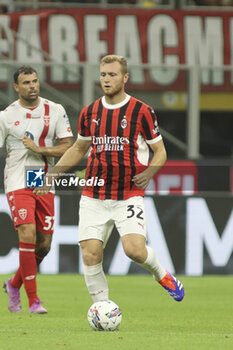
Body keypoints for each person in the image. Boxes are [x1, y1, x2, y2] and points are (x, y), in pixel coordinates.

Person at [35, 55, 184, 303]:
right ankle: (103, 308)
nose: (106, 79)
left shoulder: (142, 111)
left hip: (127, 194)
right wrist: (51, 176)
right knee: (90, 253)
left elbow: (160, 151)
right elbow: (79, 149)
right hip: (94, 194)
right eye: (103, 74)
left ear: (125, 78)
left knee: (134, 251)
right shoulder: (90, 112)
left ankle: (162, 275)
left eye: (112, 74)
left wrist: (148, 173)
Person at [0, 66, 73, 314]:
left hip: (43, 182)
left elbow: (68, 147)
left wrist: (40, 150)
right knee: (28, 234)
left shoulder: (55, 110)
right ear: (16, 87)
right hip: (17, 181)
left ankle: (13, 284)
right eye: (26, 82)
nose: (32, 85)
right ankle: (33, 301)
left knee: (44, 245)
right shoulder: (6, 116)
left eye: (35, 81)